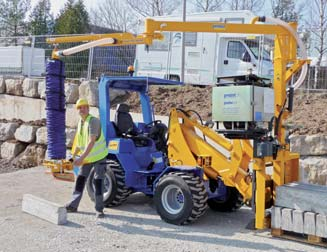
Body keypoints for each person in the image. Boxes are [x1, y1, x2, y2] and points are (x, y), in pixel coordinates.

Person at [65, 98, 108, 218]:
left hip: (98, 157)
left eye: (84, 107)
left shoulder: (93, 121)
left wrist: (80, 159)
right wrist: (72, 158)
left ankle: (99, 209)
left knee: (98, 181)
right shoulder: (80, 123)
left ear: (88, 108)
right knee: (80, 179)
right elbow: (79, 143)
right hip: (88, 157)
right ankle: (73, 205)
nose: (81, 109)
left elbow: (91, 142)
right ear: (77, 110)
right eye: (79, 107)